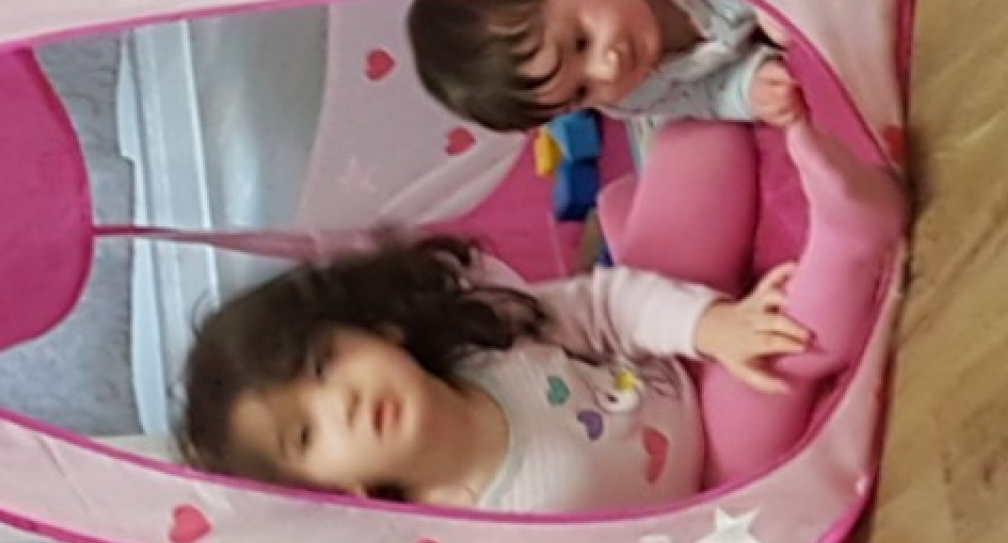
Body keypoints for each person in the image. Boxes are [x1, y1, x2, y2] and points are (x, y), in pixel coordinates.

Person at [177, 120, 901, 512]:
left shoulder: (482, 342)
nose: (344, 403)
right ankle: (851, 236)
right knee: (779, 360)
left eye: (324, 365)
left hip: (671, 360)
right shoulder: (476, 541)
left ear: (374, 330)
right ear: (341, 490)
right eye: (306, 434)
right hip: (716, 470)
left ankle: (639, 215)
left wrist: (709, 326)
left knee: (696, 145)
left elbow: (603, 306)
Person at [404, 0, 804, 130]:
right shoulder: (631, 98)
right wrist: (747, 88)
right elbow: (705, 94)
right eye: (582, 93)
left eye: (581, 41)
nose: (608, 69)